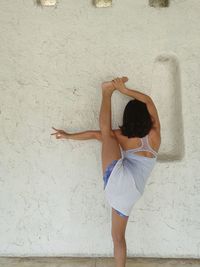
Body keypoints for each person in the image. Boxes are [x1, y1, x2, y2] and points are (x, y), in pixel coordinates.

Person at [51, 77, 161, 267]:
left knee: (105, 132)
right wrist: (125, 90)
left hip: (119, 183)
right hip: (131, 192)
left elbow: (96, 134)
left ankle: (106, 92)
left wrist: (68, 136)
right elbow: (149, 101)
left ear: (127, 117)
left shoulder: (120, 136)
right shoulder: (155, 135)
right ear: (147, 117)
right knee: (118, 238)